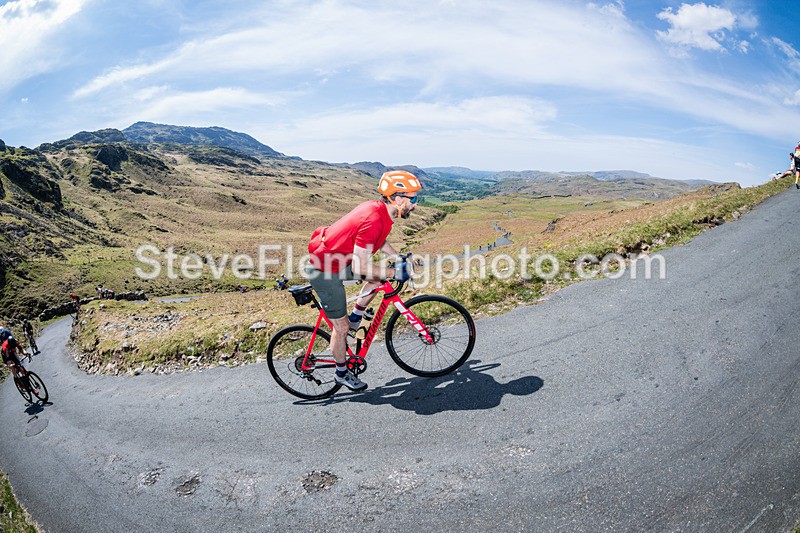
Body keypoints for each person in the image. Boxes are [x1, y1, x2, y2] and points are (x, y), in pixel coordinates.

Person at [305, 170, 421, 391]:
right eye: (413, 199)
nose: (415, 205)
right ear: (398, 198)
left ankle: (356, 318)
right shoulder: (373, 218)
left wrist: (398, 259)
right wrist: (395, 272)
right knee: (341, 328)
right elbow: (360, 267)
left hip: (340, 261)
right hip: (324, 270)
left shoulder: (382, 213)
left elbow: (380, 240)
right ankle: (341, 373)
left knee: (378, 278)